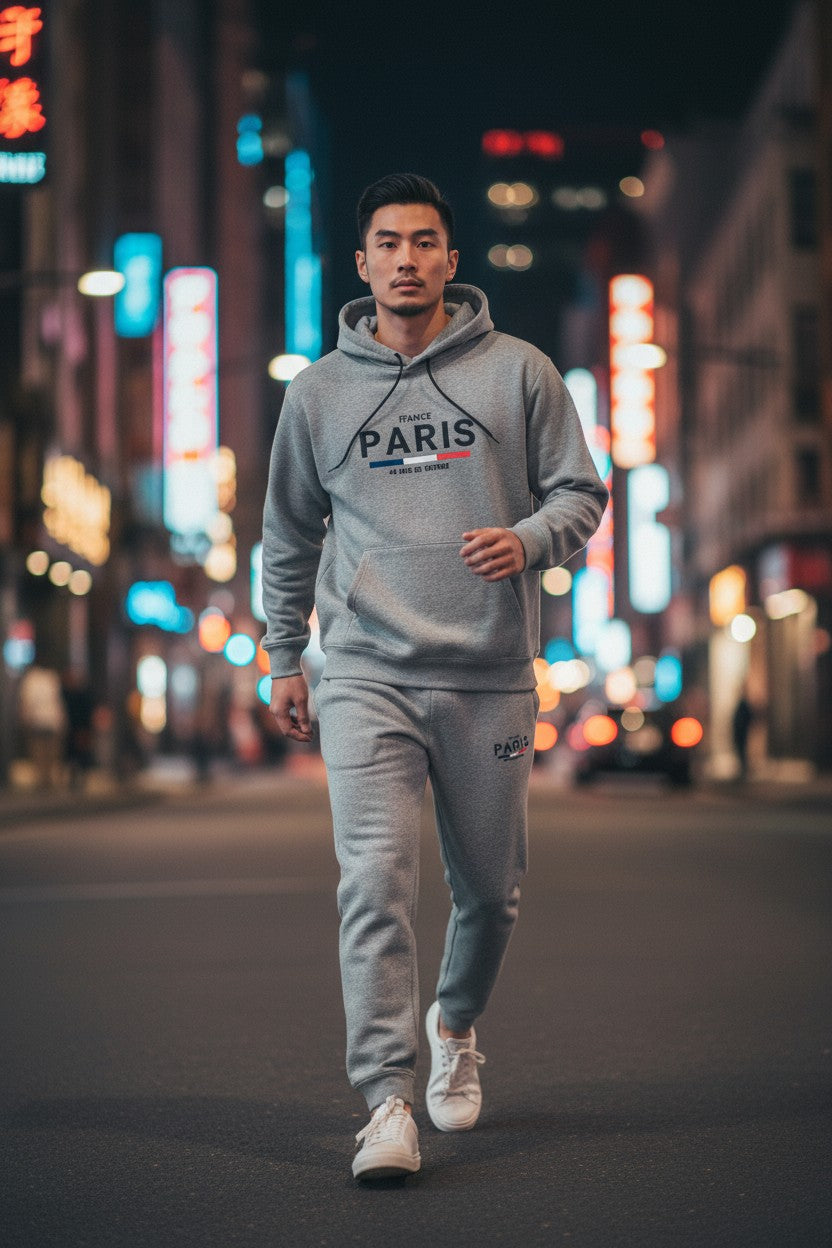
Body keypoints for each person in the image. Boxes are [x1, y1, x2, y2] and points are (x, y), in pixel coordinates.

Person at [261, 173, 607, 1181]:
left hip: (489, 671)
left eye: (423, 243)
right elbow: (287, 533)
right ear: (360, 263)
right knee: (372, 878)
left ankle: (454, 1021)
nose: (405, 259)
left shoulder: (520, 372)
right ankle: (385, 1102)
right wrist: (287, 654)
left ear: (450, 263)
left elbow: (581, 491)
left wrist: (532, 537)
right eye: (386, 243)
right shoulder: (319, 392)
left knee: (488, 893)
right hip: (365, 669)